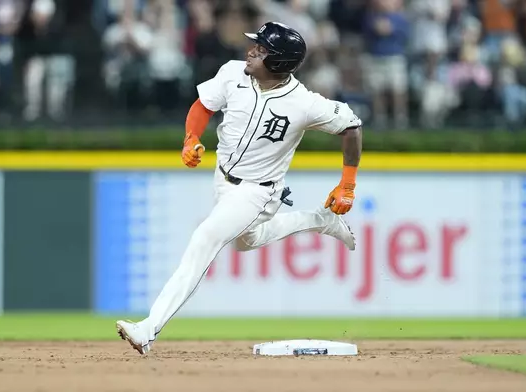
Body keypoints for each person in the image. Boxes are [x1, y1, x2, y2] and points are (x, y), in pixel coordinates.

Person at [115, 21, 363, 355]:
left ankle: (148, 329)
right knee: (249, 241)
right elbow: (204, 106)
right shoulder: (232, 73)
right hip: (224, 178)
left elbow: (352, 125)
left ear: (278, 63)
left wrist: (347, 183)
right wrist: (190, 138)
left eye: (261, 50)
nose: (251, 51)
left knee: (206, 238)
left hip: (259, 190)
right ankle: (320, 220)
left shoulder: (303, 102)